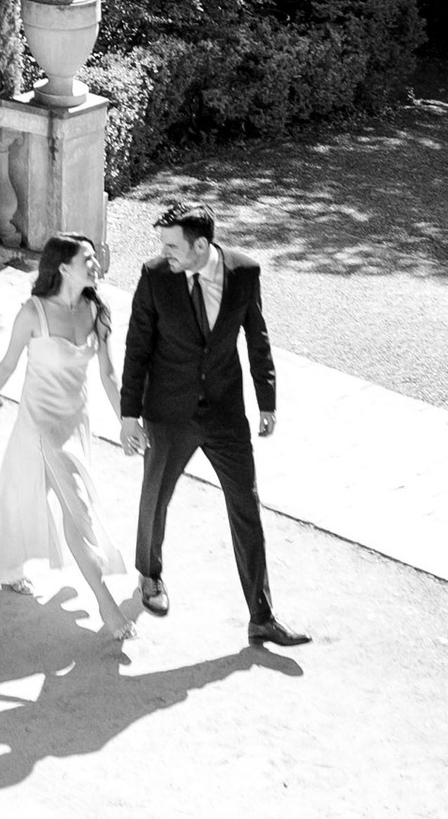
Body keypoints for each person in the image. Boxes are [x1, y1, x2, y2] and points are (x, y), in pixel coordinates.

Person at [118, 202, 309, 649]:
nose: (163, 253)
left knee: (247, 505)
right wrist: (130, 414)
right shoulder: (155, 277)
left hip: (224, 412)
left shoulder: (244, 272)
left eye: (172, 245)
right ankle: (150, 576)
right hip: (168, 411)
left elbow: (256, 336)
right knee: (155, 498)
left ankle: (261, 616)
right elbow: (136, 346)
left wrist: (268, 400)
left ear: (201, 245)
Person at [0, 233, 136, 637]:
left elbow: (109, 375)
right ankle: (107, 607)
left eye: (95, 258)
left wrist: (129, 419)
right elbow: (6, 366)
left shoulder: (97, 310)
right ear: (63, 267)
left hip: (77, 422)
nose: (96, 263)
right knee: (78, 509)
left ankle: (8, 571)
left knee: (24, 498)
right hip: (39, 426)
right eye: (87, 259)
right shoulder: (32, 312)